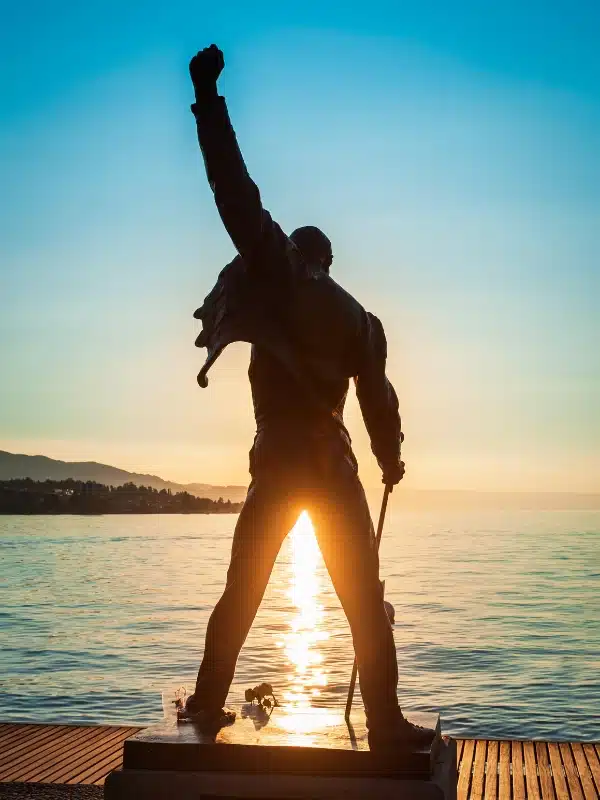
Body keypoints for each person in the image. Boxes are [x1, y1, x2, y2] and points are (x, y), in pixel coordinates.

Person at [184, 44, 435, 751]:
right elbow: (378, 400)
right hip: (336, 471)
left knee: (242, 593)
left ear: (295, 251)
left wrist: (208, 99)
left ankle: (206, 705)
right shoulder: (362, 319)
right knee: (362, 600)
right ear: (333, 258)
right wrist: (390, 460)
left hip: (279, 467)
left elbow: (233, 191)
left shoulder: (277, 273)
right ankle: (386, 722)